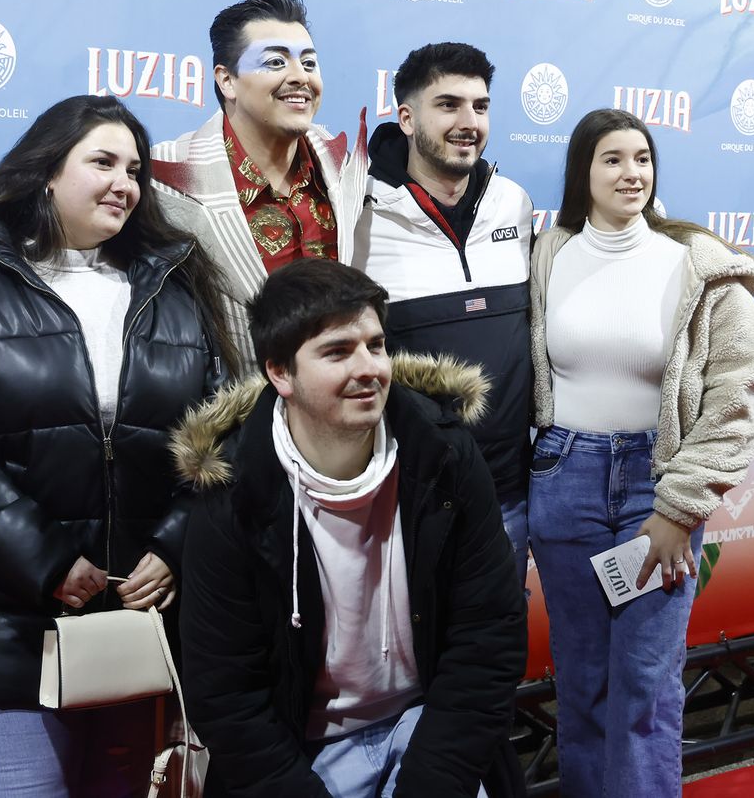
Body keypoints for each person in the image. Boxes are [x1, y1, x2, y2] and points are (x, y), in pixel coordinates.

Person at [0, 94, 231, 797]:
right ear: (47, 171)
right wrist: (46, 559)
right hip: (4, 629)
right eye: (103, 161)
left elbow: (218, 436)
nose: (125, 181)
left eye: (136, 168)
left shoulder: (173, 285)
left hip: (135, 630)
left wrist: (176, 546)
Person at [175, 259, 527, 798]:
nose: (369, 368)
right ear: (280, 373)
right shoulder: (233, 493)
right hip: (304, 754)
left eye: (377, 345)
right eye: (338, 351)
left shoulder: (446, 455)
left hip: (426, 728)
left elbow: (488, 639)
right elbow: (226, 697)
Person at [528, 108, 754, 797]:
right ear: (583, 171)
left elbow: (731, 403)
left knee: (644, 685)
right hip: (562, 479)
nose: (631, 172)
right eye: (612, 158)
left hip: (652, 487)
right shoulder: (548, 255)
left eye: (642, 157)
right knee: (582, 679)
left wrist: (677, 510)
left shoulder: (700, 267)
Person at [353, 41, 535, 582]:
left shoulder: (514, 203)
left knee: (496, 650)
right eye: (449, 104)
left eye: (480, 106)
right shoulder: (356, 214)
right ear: (406, 118)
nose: (469, 122)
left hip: (509, 498)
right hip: (404, 497)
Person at [152, 0, 368, 367]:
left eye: (309, 63)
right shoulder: (163, 179)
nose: (300, 77)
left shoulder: (345, 167)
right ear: (227, 80)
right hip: (229, 411)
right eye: (275, 62)